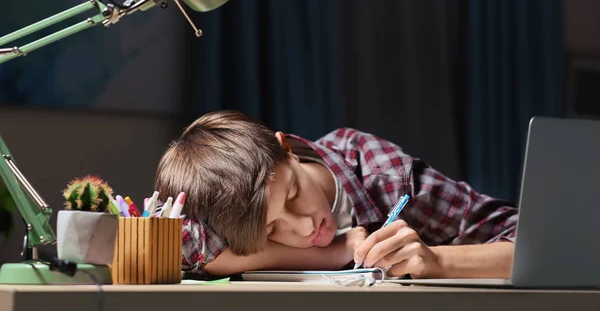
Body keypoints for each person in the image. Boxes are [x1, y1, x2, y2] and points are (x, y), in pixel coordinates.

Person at [154, 110, 517, 279]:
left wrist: (437, 261)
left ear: (289, 148)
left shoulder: (383, 175)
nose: (304, 227)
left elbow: (538, 246)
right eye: (270, 231)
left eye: (294, 194)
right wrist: (331, 254)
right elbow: (175, 240)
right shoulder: (231, 216)